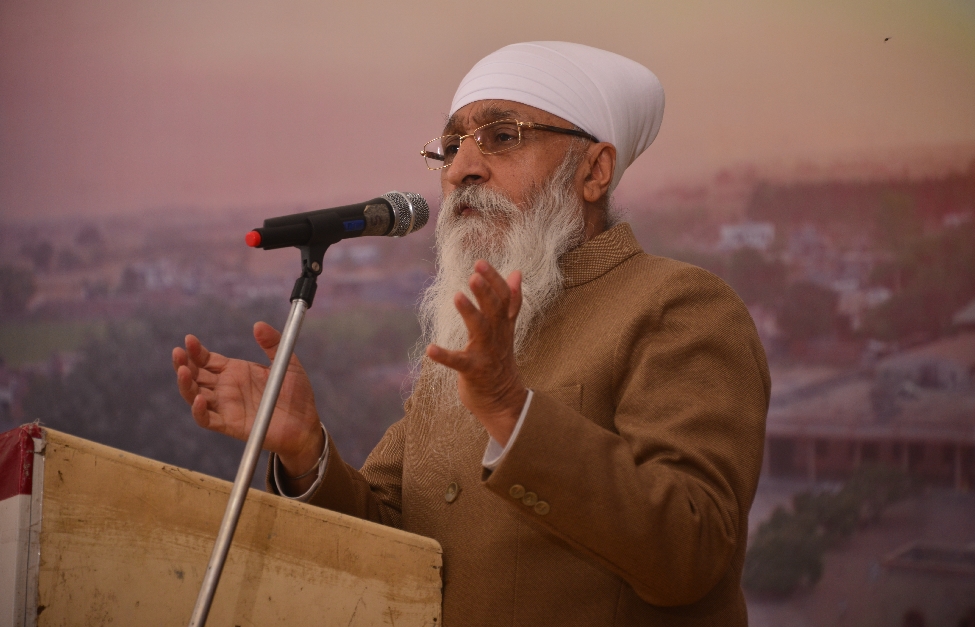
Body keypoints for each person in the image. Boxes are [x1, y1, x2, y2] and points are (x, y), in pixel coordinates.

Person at [173, 41, 770, 626]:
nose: (461, 169)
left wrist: (512, 413)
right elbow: (389, 534)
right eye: (452, 146)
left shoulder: (680, 306)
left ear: (594, 171)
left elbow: (694, 553)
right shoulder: (466, 339)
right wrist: (306, 452)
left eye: (503, 137)